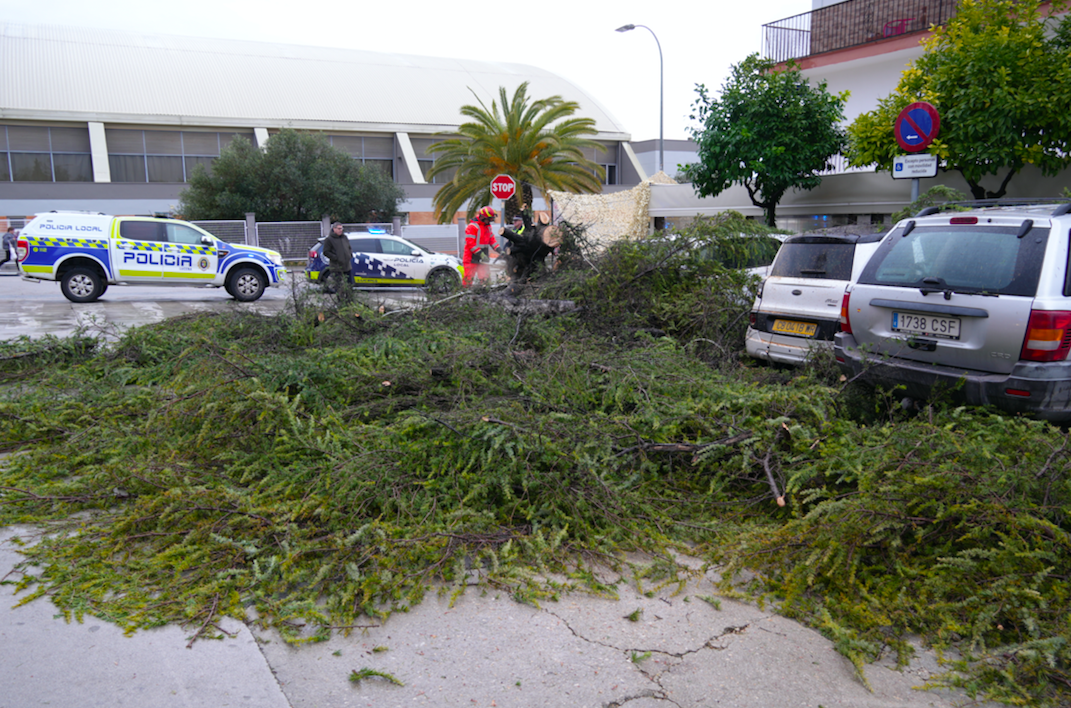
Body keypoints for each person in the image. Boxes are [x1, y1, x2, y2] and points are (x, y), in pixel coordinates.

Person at [463, 206, 500, 287]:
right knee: (468, 280)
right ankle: (465, 294)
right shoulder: (472, 227)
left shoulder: (488, 227)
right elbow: (471, 244)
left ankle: (484, 295)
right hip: (471, 258)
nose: (490, 221)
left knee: (485, 279)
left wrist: (500, 250)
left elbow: (492, 241)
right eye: (489, 219)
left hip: (483, 258)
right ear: (482, 217)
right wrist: (481, 254)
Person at [320, 222, 354, 296]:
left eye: (341, 228)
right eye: (339, 228)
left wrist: (349, 255)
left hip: (347, 266)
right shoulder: (329, 239)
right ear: (334, 229)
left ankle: (349, 301)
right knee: (338, 287)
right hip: (336, 267)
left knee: (349, 285)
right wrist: (336, 258)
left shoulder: (344, 237)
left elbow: (349, 247)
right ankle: (340, 302)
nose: (340, 230)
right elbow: (326, 252)